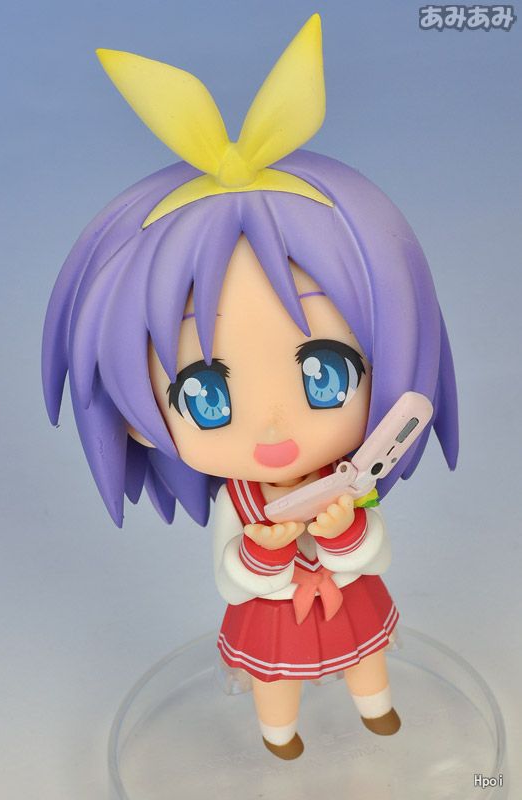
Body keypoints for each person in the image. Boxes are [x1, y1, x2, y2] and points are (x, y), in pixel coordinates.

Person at [42, 15, 458, 760]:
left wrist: (344, 530)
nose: (272, 427)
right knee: (275, 680)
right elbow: (232, 579)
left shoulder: (348, 476)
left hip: (346, 597)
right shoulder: (239, 501)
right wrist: (265, 552)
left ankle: (377, 711)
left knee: (367, 659)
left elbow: (373, 555)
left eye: (325, 375)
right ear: (137, 418)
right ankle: (280, 737)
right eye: (207, 398)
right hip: (274, 612)